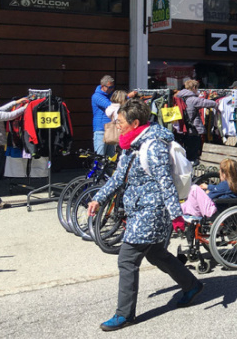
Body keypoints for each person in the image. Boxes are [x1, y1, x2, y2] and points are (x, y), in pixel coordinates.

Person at [87, 99, 203, 331]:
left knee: (127, 260)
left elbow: (165, 182)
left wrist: (176, 215)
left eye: (120, 122)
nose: (117, 125)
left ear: (135, 122)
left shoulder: (153, 145)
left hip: (151, 211)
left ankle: (124, 314)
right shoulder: (132, 144)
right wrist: (99, 198)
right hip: (139, 208)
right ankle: (191, 285)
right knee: (157, 254)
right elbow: (119, 177)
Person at [175, 80, 218, 162]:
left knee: (185, 152)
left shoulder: (178, 98)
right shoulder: (193, 99)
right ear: (194, 88)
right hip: (193, 129)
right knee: (192, 153)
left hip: (182, 128)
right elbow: (208, 103)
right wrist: (217, 103)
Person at [92, 75, 115, 158]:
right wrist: (127, 97)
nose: (111, 89)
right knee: (100, 158)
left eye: (113, 87)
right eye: (110, 87)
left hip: (111, 129)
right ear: (102, 86)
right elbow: (109, 105)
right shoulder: (97, 96)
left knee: (111, 159)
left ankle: (109, 171)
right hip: (101, 130)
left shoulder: (111, 95)